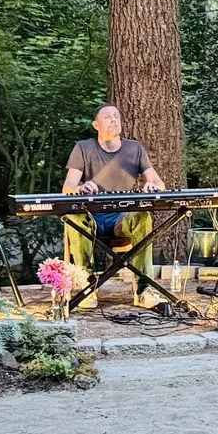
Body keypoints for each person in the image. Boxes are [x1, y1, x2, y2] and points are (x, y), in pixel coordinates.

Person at [61, 103, 169, 301]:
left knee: (143, 217)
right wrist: (79, 188)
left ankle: (143, 289)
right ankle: (86, 286)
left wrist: (152, 186)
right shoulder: (83, 148)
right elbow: (68, 187)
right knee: (72, 217)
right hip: (91, 218)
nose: (114, 120)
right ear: (96, 124)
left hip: (121, 220)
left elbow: (159, 183)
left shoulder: (134, 149)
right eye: (108, 117)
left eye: (116, 117)